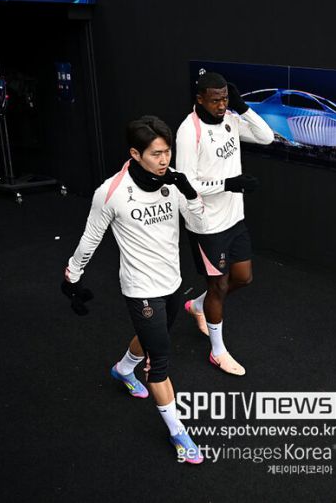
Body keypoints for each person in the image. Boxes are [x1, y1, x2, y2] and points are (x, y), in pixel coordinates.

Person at [62, 116, 205, 464]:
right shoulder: (111, 192)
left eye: (167, 152)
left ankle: (123, 369)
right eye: (156, 153)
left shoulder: (172, 181)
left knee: (153, 336)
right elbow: (91, 237)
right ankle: (178, 433)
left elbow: (198, 222)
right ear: (135, 154)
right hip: (140, 288)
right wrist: (72, 276)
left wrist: (189, 192)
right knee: (160, 362)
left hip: (172, 282)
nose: (164, 160)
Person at [175, 72, 274, 376]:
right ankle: (217, 352)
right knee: (218, 285)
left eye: (225, 99)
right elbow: (186, 183)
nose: (221, 105)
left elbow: (266, 136)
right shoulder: (188, 131)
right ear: (200, 99)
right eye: (215, 100)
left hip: (234, 217)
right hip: (206, 224)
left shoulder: (230, 118)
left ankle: (198, 305)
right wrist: (229, 183)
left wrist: (242, 107)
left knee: (243, 277)